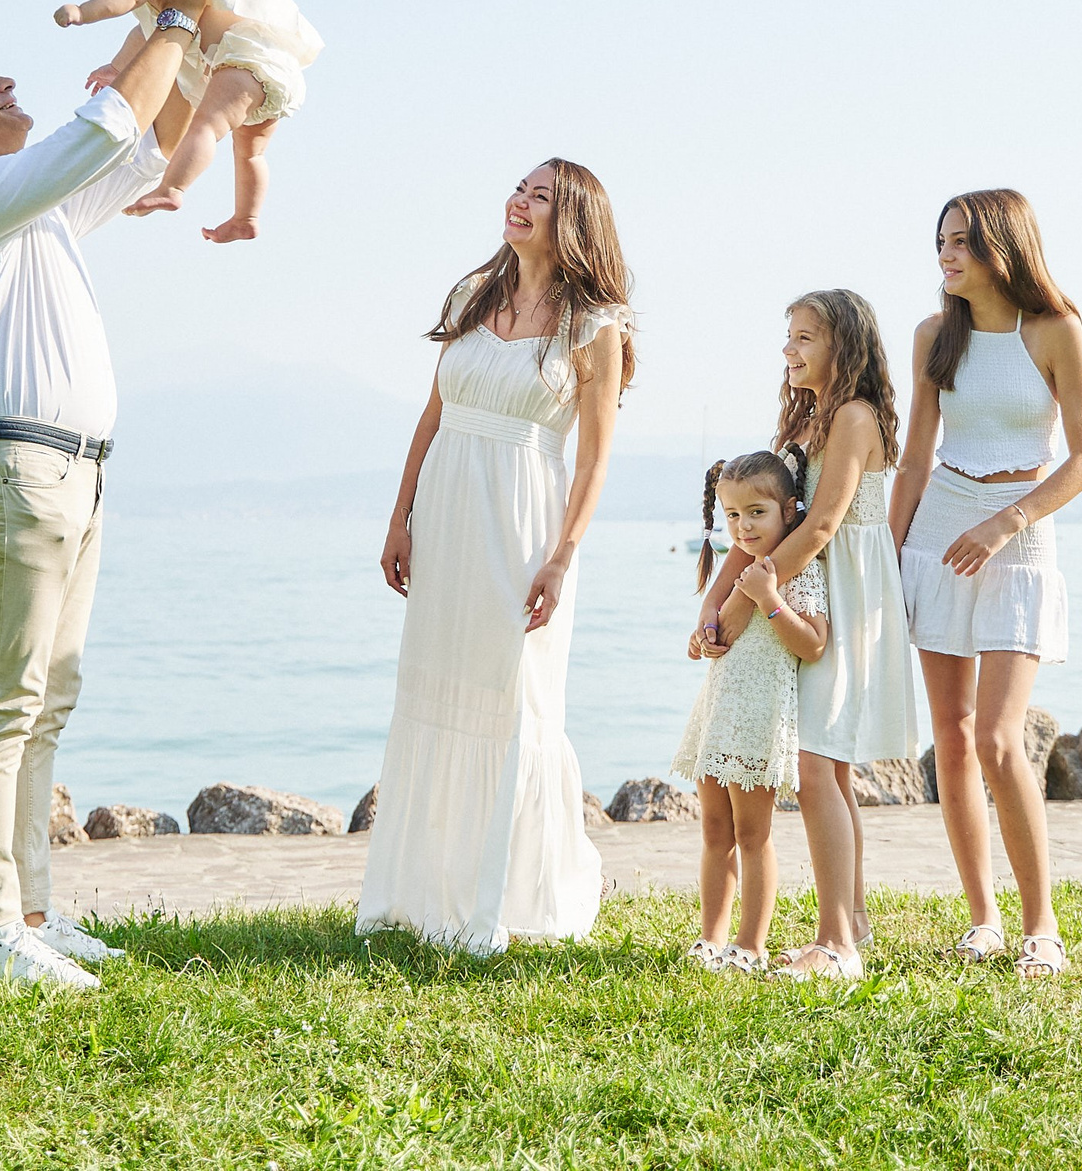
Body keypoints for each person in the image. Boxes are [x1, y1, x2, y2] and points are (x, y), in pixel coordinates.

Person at [0, 0, 214, 988]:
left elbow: (144, 148)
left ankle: (33, 910)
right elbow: (103, 127)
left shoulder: (28, 208)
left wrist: (178, 32)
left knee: (48, 702)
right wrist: (165, 20)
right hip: (14, 470)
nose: (8, 83)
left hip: (72, 473)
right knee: (2, 702)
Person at [357, 160, 634, 955]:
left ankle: (506, 893)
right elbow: (432, 413)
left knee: (514, 697)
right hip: (445, 510)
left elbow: (592, 461)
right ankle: (421, 891)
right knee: (436, 685)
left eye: (540, 195)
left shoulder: (594, 323)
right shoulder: (469, 297)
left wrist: (562, 557)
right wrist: (399, 515)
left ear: (572, 217)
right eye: (519, 188)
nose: (519, 201)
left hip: (523, 521)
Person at [890, 189, 1082, 982]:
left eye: (959, 243)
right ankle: (981, 918)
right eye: (939, 242)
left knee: (997, 737)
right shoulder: (932, 336)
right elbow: (913, 458)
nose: (944, 256)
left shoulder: (1054, 331)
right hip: (938, 528)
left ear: (1000, 246)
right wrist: (889, 552)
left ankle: (1040, 925)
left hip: (1016, 533)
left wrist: (1005, 522)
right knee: (948, 734)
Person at [698, 289, 921, 981]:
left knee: (818, 766)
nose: (789, 350)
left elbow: (821, 525)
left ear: (842, 345)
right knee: (830, 767)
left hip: (847, 593)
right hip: (806, 580)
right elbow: (767, 522)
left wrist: (741, 606)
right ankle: (848, 920)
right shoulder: (805, 419)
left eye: (803, 338)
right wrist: (718, 599)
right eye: (787, 337)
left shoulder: (852, 416)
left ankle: (835, 944)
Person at [53, 0, 322, 242]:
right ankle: (247, 217)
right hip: (271, 68)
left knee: (205, 127)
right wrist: (116, 67)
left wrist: (83, 11)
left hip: (242, 62)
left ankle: (173, 188)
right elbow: (143, 33)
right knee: (250, 153)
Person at [671, 447, 828, 975]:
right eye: (733, 515)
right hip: (719, 713)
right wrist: (702, 636)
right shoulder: (740, 564)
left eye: (756, 513)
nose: (743, 526)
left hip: (761, 718)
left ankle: (751, 943)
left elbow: (812, 645)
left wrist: (768, 599)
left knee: (752, 834)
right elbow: (714, 615)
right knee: (714, 829)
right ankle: (710, 937)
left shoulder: (795, 569)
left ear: (789, 509)